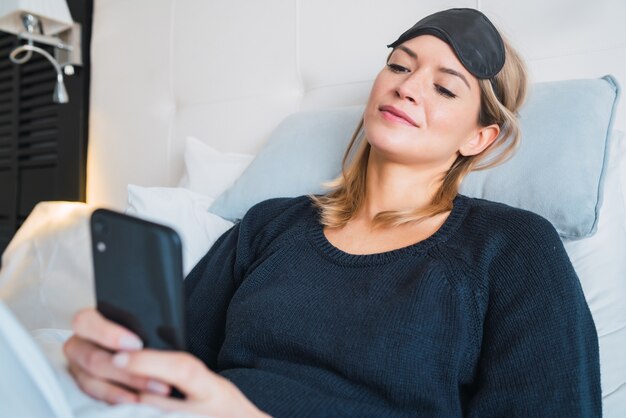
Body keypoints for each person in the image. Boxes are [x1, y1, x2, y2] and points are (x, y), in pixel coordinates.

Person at [63, 8, 602, 417]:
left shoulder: (513, 248)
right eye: (398, 65)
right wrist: (113, 364)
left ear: (479, 138)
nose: (407, 87)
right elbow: (177, 365)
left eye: (443, 87)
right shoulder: (269, 225)